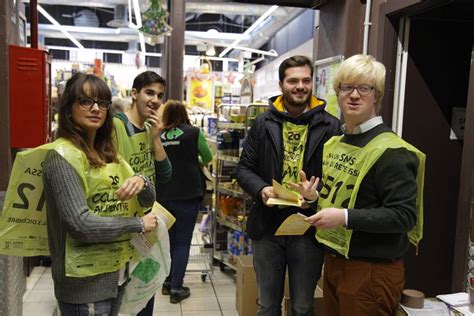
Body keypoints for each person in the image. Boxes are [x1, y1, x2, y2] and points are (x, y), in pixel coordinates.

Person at [291, 54, 425, 316]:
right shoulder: (337, 142)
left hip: (371, 271)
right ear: (337, 92)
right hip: (335, 262)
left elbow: (403, 216)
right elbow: (346, 198)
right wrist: (312, 197)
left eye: (364, 88)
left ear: (377, 95)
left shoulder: (393, 151)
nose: (354, 95)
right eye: (346, 87)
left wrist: (343, 216)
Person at [42, 73, 159, 315]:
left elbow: (148, 199)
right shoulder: (62, 156)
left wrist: (141, 181)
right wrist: (136, 224)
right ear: (68, 108)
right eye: (86, 101)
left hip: (116, 276)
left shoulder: (108, 153)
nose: (96, 108)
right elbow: (80, 224)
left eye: (102, 103)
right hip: (83, 287)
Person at [235, 55, 340, 315]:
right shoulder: (263, 123)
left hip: (307, 227)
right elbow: (243, 168)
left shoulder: (330, 126)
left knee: (303, 306)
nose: (300, 86)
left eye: (306, 80)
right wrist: (262, 189)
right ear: (281, 84)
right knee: (267, 305)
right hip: (268, 226)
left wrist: (315, 195)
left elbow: (336, 180)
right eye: (293, 80)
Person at [113, 71, 172, 315]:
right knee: (123, 300)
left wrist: (156, 138)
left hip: (147, 227)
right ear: (134, 94)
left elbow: (166, 175)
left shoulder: (150, 128)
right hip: (123, 227)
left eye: (159, 95)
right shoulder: (117, 126)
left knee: (144, 292)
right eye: (149, 92)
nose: (155, 100)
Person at [155, 100, 213, 304]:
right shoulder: (193, 132)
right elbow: (207, 157)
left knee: (168, 241)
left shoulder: (158, 134)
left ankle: (167, 281)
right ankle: (177, 288)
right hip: (188, 193)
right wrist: (191, 161)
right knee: (183, 242)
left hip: (163, 195)